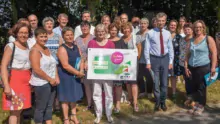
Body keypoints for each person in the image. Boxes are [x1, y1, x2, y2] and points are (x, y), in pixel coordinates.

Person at [184, 20, 217, 115]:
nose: (198, 29)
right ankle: (196, 105)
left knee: (201, 87)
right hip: (191, 67)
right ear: (194, 29)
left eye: (200, 27)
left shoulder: (208, 38)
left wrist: (213, 67)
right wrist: (186, 67)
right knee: (193, 86)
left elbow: (214, 53)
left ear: (203, 28)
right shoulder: (191, 40)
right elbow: (187, 55)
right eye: (196, 27)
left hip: (203, 66)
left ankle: (201, 105)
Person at [1, 23, 32, 124]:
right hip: (15, 81)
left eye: (26, 33)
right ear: (16, 34)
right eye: (21, 33)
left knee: (19, 110)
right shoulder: (11, 46)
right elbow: (3, 66)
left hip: (26, 80)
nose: (24, 35)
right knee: (14, 111)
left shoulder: (27, 46)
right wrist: (6, 85)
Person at [144, 12, 174, 112]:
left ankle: (163, 102)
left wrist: (170, 61)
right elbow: (146, 48)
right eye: (159, 21)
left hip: (165, 59)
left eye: (163, 21)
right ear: (156, 21)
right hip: (154, 59)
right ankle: (157, 102)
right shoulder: (150, 33)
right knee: (155, 82)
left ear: (165, 21)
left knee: (164, 83)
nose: (161, 22)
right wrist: (148, 62)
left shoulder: (168, 33)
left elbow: (170, 48)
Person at [29, 27, 59, 124]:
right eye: (41, 37)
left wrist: (55, 77)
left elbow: (53, 63)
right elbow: (36, 69)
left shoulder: (46, 48)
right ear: (36, 37)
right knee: (41, 107)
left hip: (52, 82)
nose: (44, 39)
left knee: (49, 105)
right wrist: (50, 79)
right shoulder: (35, 51)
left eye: (45, 36)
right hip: (41, 83)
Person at [88, 24, 115, 124]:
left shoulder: (111, 44)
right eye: (98, 31)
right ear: (95, 32)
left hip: (108, 73)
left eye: (102, 31)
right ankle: (98, 115)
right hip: (96, 72)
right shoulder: (91, 42)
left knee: (109, 94)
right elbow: (89, 57)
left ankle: (109, 114)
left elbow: (114, 59)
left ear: (105, 32)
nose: (100, 33)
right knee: (96, 94)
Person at [57, 27, 84, 124]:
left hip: (76, 74)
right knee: (65, 98)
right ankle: (66, 119)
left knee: (74, 96)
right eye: (67, 35)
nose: (70, 37)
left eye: (71, 34)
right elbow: (65, 65)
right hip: (65, 76)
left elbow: (81, 59)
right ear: (63, 36)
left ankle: (73, 115)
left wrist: (81, 69)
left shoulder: (76, 46)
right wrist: (78, 73)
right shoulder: (62, 48)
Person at [114, 22, 140, 112]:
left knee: (133, 82)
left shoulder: (135, 37)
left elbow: (139, 50)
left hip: (133, 62)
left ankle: (135, 102)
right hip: (124, 63)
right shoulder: (120, 39)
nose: (126, 30)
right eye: (124, 29)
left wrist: (135, 60)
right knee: (127, 81)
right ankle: (130, 99)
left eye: (127, 28)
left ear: (130, 29)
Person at [75, 21, 95, 110]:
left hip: (93, 64)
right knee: (86, 85)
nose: (84, 28)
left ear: (90, 28)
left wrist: (88, 61)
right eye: (83, 27)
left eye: (86, 26)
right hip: (81, 64)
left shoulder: (94, 38)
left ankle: (96, 103)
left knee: (94, 85)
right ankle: (89, 104)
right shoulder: (77, 39)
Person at [136, 18, 153, 99]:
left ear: (147, 24)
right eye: (141, 23)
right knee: (139, 76)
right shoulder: (136, 34)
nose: (142, 25)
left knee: (149, 76)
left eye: (144, 23)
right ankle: (142, 91)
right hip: (139, 59)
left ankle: (149, 92)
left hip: (148, 59)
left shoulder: (151, 33)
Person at [108, 23, 122, 113]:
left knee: (118, 86)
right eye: (112, 30)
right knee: (109, 86)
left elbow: (126, 54)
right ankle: (109, 103)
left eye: (115, 30)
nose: (113, 31)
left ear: (117, 31)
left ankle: (118, 103)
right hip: (108, 67)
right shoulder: (106, 40)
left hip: (118, 67)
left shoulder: (121, 41)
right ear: (109, 30)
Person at [179, 23, 193, 106]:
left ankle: (194, 98)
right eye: (185, 29)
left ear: (192, 30)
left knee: (192, 81)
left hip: (191, 63)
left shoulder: (194, 39)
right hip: (182, 63)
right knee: (187, 81)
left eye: (188, 29)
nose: (187, 31)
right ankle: (189, 97)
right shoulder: (182, 39)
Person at [168, 20, 182, 100]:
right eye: (171, 25)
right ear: (169, 25)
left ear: (176, 27)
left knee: (173, 77)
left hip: (175, 61)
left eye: (174, 25)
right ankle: (165, 93)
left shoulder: (179, 37)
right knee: (165, 77)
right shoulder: (165, 35)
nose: (172, 26)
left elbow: (182, 50)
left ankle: (173, 93)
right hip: (165, 59)